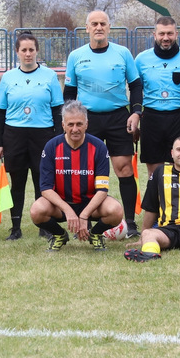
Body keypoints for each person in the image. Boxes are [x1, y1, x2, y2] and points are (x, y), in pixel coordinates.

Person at [64, 10, 143, 237]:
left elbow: (136, 85)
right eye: (94, 24)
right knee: (86, 171)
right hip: (88, 120)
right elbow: (69, 92)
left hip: (118, 117)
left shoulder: (123, 53)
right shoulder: (75, 56)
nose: (99, 27)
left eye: (103, 24)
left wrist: (136, 113)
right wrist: (70, 121)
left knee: (124, 168)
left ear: (109, 27)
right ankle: (85, 221)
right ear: (87, 28)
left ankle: (130, 223)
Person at [0, 32, 64, 240]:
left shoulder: (49, 76)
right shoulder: (8, 77)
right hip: (14, 135)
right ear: (17, 52)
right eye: (23, 50)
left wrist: (59, 139)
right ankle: (15, 228)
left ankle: (44, 225)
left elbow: (57, 110)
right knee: (17, 182)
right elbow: (1, 112)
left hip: (43, 135)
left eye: (31, 50)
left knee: (42, 182)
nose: (28, 54)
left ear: (37, 51)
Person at [30, 100, 125, 252]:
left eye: (79, 124)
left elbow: (102, 190)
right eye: (70, 124)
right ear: (63, 125)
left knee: (116, 211)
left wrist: (84, 216)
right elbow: (46, 189)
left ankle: (95, 234)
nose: (75, 129)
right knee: (37, 210)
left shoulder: (99, 147)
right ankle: (59, 235)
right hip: (61, 205)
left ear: (87, 124)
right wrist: (68, 211)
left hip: (91, 204)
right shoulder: (52, 147)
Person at [134, 16, 180, 174]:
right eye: (161, 34)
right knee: (154, 172)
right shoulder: (141, 59)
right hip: (151, 118)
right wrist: (135, 115)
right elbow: (136, 90)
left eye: (170, 33)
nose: (166, 38)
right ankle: (156, 191)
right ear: (155, 35)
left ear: (176, 34)